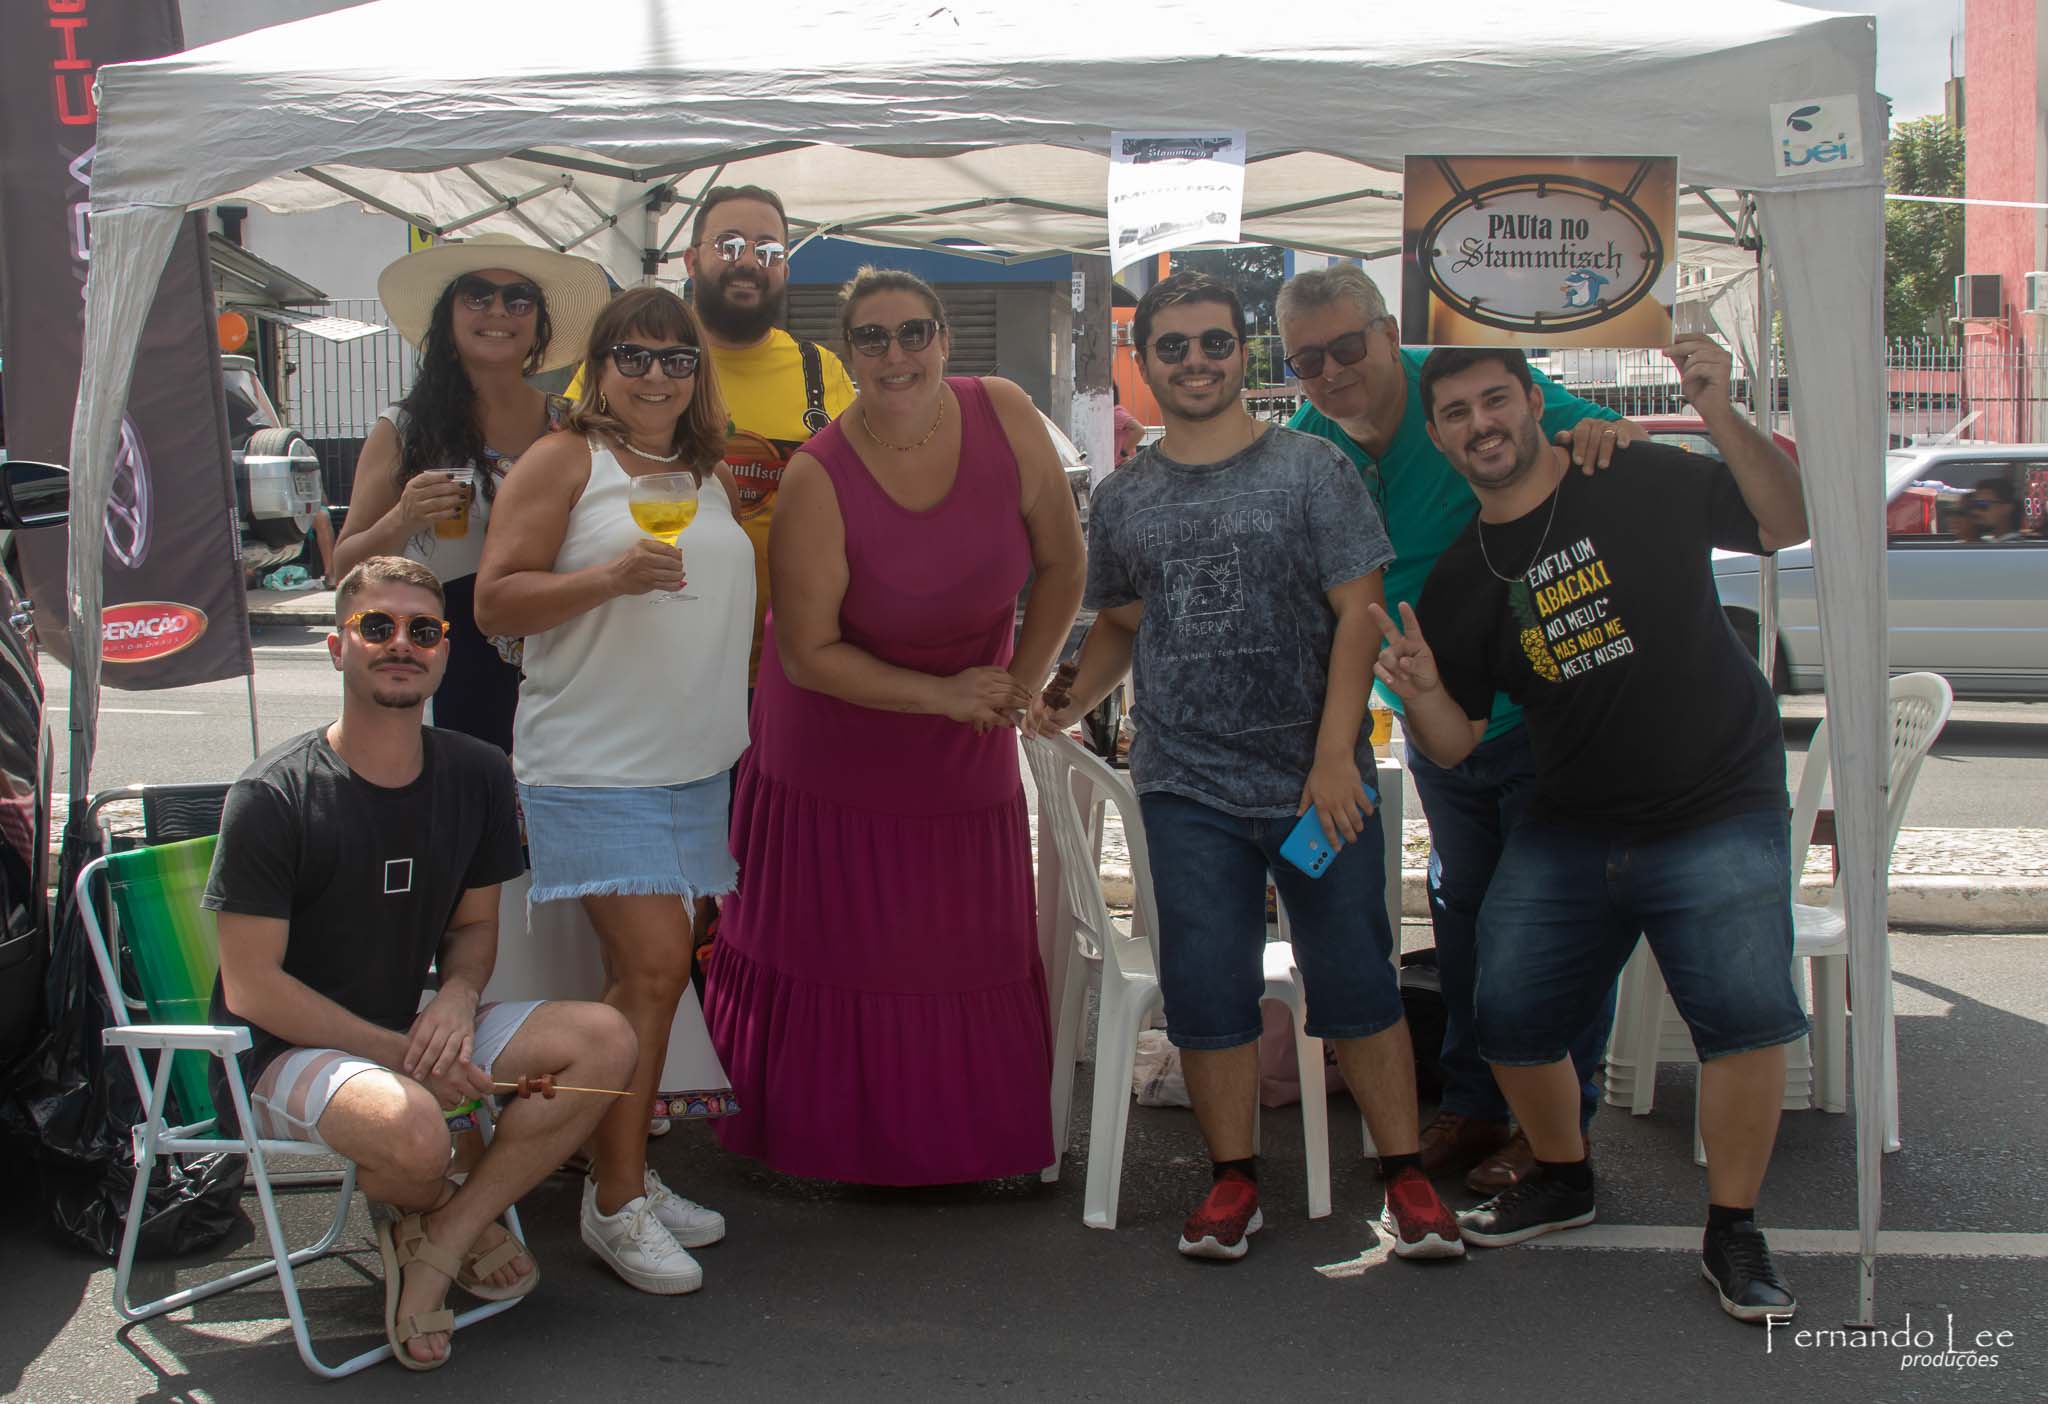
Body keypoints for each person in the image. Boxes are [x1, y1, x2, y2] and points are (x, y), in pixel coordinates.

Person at [1374, 339, 1809, 1320]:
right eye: (1456, 413)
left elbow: (1786, 523)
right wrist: (1422, 692)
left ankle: (1733, 1228)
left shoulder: (1633, 476)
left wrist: (1719, 412)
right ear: (1438, 438)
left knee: (1742, 1020)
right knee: (1509, 1014)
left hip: (1714, 799)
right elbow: (1455, 742)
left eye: (1496, 399)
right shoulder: (1460, 578)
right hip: (1571, 819)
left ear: (1535, 403)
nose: (1481, 424)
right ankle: (1563, 1178)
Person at [1035, 272, 1461, 1263]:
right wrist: (1062, 700)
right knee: (1205, 990)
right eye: (1173, 346)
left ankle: (1404, 1178)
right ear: (1145, 362)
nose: (1195, 361)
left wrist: (1334, 756)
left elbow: (1359, 615)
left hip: (1318, 786)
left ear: (1242, 354)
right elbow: (1123, 623)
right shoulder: (1123, 496)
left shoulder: (1313, 469)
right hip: (1186, 789)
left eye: (1214, 343)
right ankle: (1233, 1183)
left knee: (1356, 980)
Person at [702, 267, 1085, 1184]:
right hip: (834, 743)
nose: (896, 353)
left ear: (944, 340)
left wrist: (1019, 686)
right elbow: (807, 654)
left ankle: (963, 1146)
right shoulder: (817, 473)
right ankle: (830, 1143)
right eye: (871, 338)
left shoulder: (1005, 411)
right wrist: (948, 697)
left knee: (959, 945)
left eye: (914, 332)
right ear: (849, 355)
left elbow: (1065, 563)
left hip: (967, 731)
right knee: (840, 945)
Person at [207, 556, 636, 1371]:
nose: (400, 643)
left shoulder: (477, 771)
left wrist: (458, 997)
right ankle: (442, 1214)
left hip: (411, 1029)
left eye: (422, 630)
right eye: (377, 626)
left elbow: (473, 929)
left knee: (605, 1041)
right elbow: (252, 987)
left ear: (444, 650)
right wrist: (404, 1052)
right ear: (337, 647)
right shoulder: (274, 795)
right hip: (281, 1054)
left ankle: (441, 1238)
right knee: (413, 1127)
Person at [1277, 264, 1644, 1192]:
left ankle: (1558, 1129)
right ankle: (1477, 1106)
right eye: (1306, 358)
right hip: (1438, 726)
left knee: (1554, 928)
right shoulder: (1311, 439)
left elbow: (1590, 432)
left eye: (1347, 346)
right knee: (1467, 919)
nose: (1330, 370)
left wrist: (1606, 431)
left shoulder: (1458, 385)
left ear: (1386, 331)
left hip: (1542, 715)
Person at [473, 287, 750, 1294]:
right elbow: (494, 600)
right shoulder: (565, 460)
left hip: (691, 765)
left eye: (676, 359)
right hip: (594, 762)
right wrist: (607, 579)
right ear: (599, 367)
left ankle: (622, 1169)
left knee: (654, 983)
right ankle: (616, 1202)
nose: (655, 376)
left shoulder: (707, 473)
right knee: (652, 967)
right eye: (633, 356)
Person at [335, 234, 610, 752]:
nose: (498, 311)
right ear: (449, 319)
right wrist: (402, 518)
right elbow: (344, 569)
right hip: (453, 664)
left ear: (538, 326)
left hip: (566, 652)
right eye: (477, 296)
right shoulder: (406, 430)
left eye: (519, 300)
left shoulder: (576, 426)